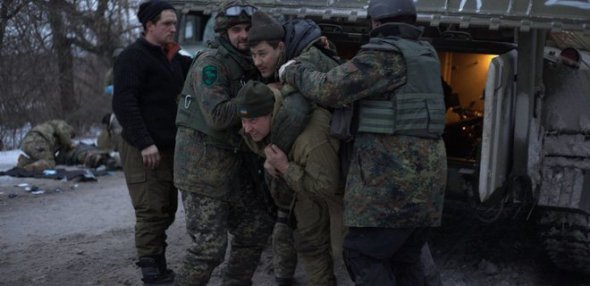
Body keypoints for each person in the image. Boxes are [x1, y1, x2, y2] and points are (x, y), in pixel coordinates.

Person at [279, 0, 448, 285]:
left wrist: (292, 71)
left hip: (394, 180)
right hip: (427, 179)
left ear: (376, 22)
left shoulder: (384, 54)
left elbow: (328, 88)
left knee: (361, 252)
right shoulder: (424, 52)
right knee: (405, 258)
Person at [173, 1, 274, 285]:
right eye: (237, 30)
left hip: (234, 165)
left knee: (255, 229)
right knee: (209, 248)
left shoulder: (250, 62)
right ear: (224, 32)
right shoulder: (211, 64)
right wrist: (263, 94)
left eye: (248, 29)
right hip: (202, 169)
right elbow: (217, 115)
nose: (243, 35)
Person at [246, 11, 346, 285]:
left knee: (346, 251)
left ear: (281, 47)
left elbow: (298, 110)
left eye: (262, 54)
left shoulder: (301, 63)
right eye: (253, 55)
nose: (258, 62)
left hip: (328, 162)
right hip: (305, 170)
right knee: (311, 240)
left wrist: (277, 159)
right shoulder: (295, 61)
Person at [112, 0, 191, 284]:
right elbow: (124, 102)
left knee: (166, 208)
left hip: (167, 148)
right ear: (149, 26)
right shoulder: (133, 57)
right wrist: (145, 142)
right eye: (167, 23)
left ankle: (159, 263)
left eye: (174, 23)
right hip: (142, 148)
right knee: (150, 210)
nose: (173, 28)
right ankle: (152, 272)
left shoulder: (170, 57)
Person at [237, 80, 344, 285]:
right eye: (243, 121)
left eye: (253, 120)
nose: (247, 128)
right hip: (305, 191)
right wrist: (270, 158)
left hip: (334, 196)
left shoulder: (311, 139)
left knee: (349, 254)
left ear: (271, 113)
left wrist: (285, 167)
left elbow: (325, 188)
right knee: (310, 245)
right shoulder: (273, 121)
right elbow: (257, 140)